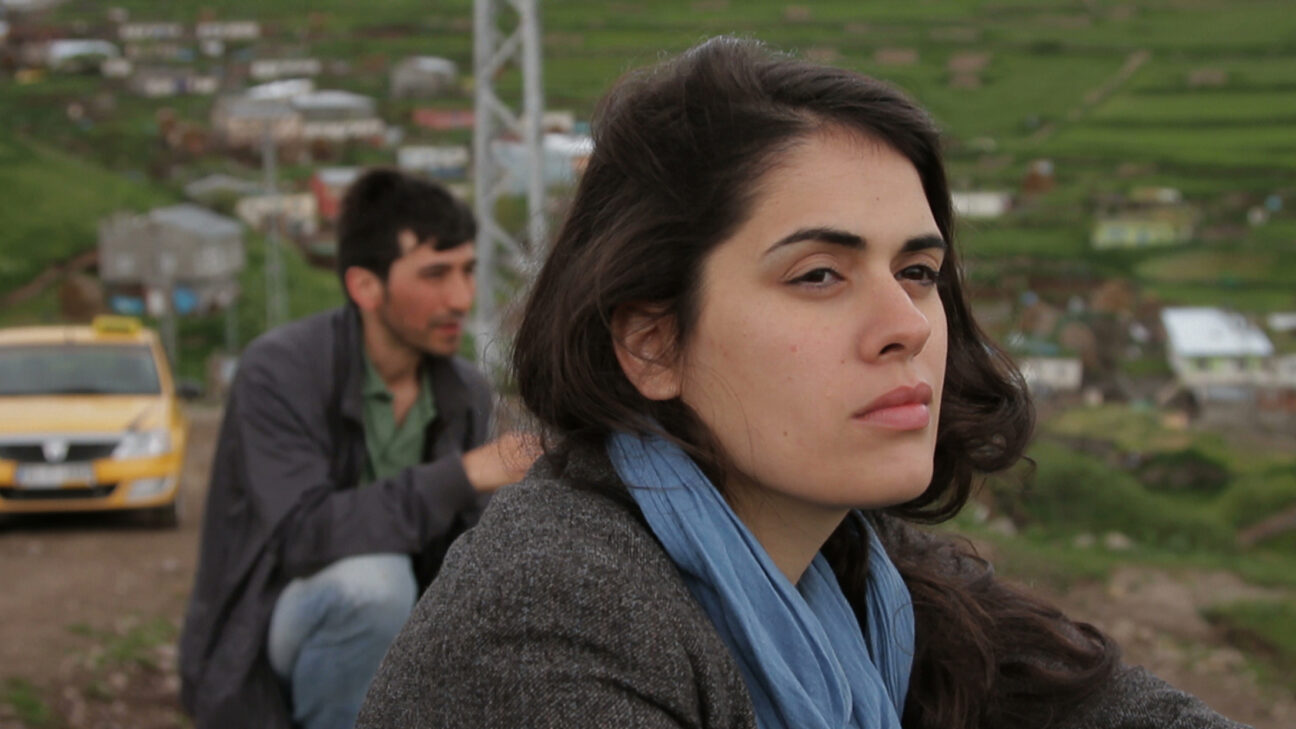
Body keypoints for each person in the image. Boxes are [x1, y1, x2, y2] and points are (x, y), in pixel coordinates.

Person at [356, 38, 1247, 729]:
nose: (907, 323)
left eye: (919, 271)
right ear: (653, 344)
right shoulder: (554, 619)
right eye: (819, 274)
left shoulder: (863, 574)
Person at [179, 168, 536, 729]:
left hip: (404, 642)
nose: (462, 298)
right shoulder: (279, 372)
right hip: (269, 640)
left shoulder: (463, 389)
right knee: (372, 588)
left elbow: (473, 556)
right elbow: (302, 536)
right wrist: (462, 474)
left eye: (468, 271)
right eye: (435, 275)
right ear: (365, 286)